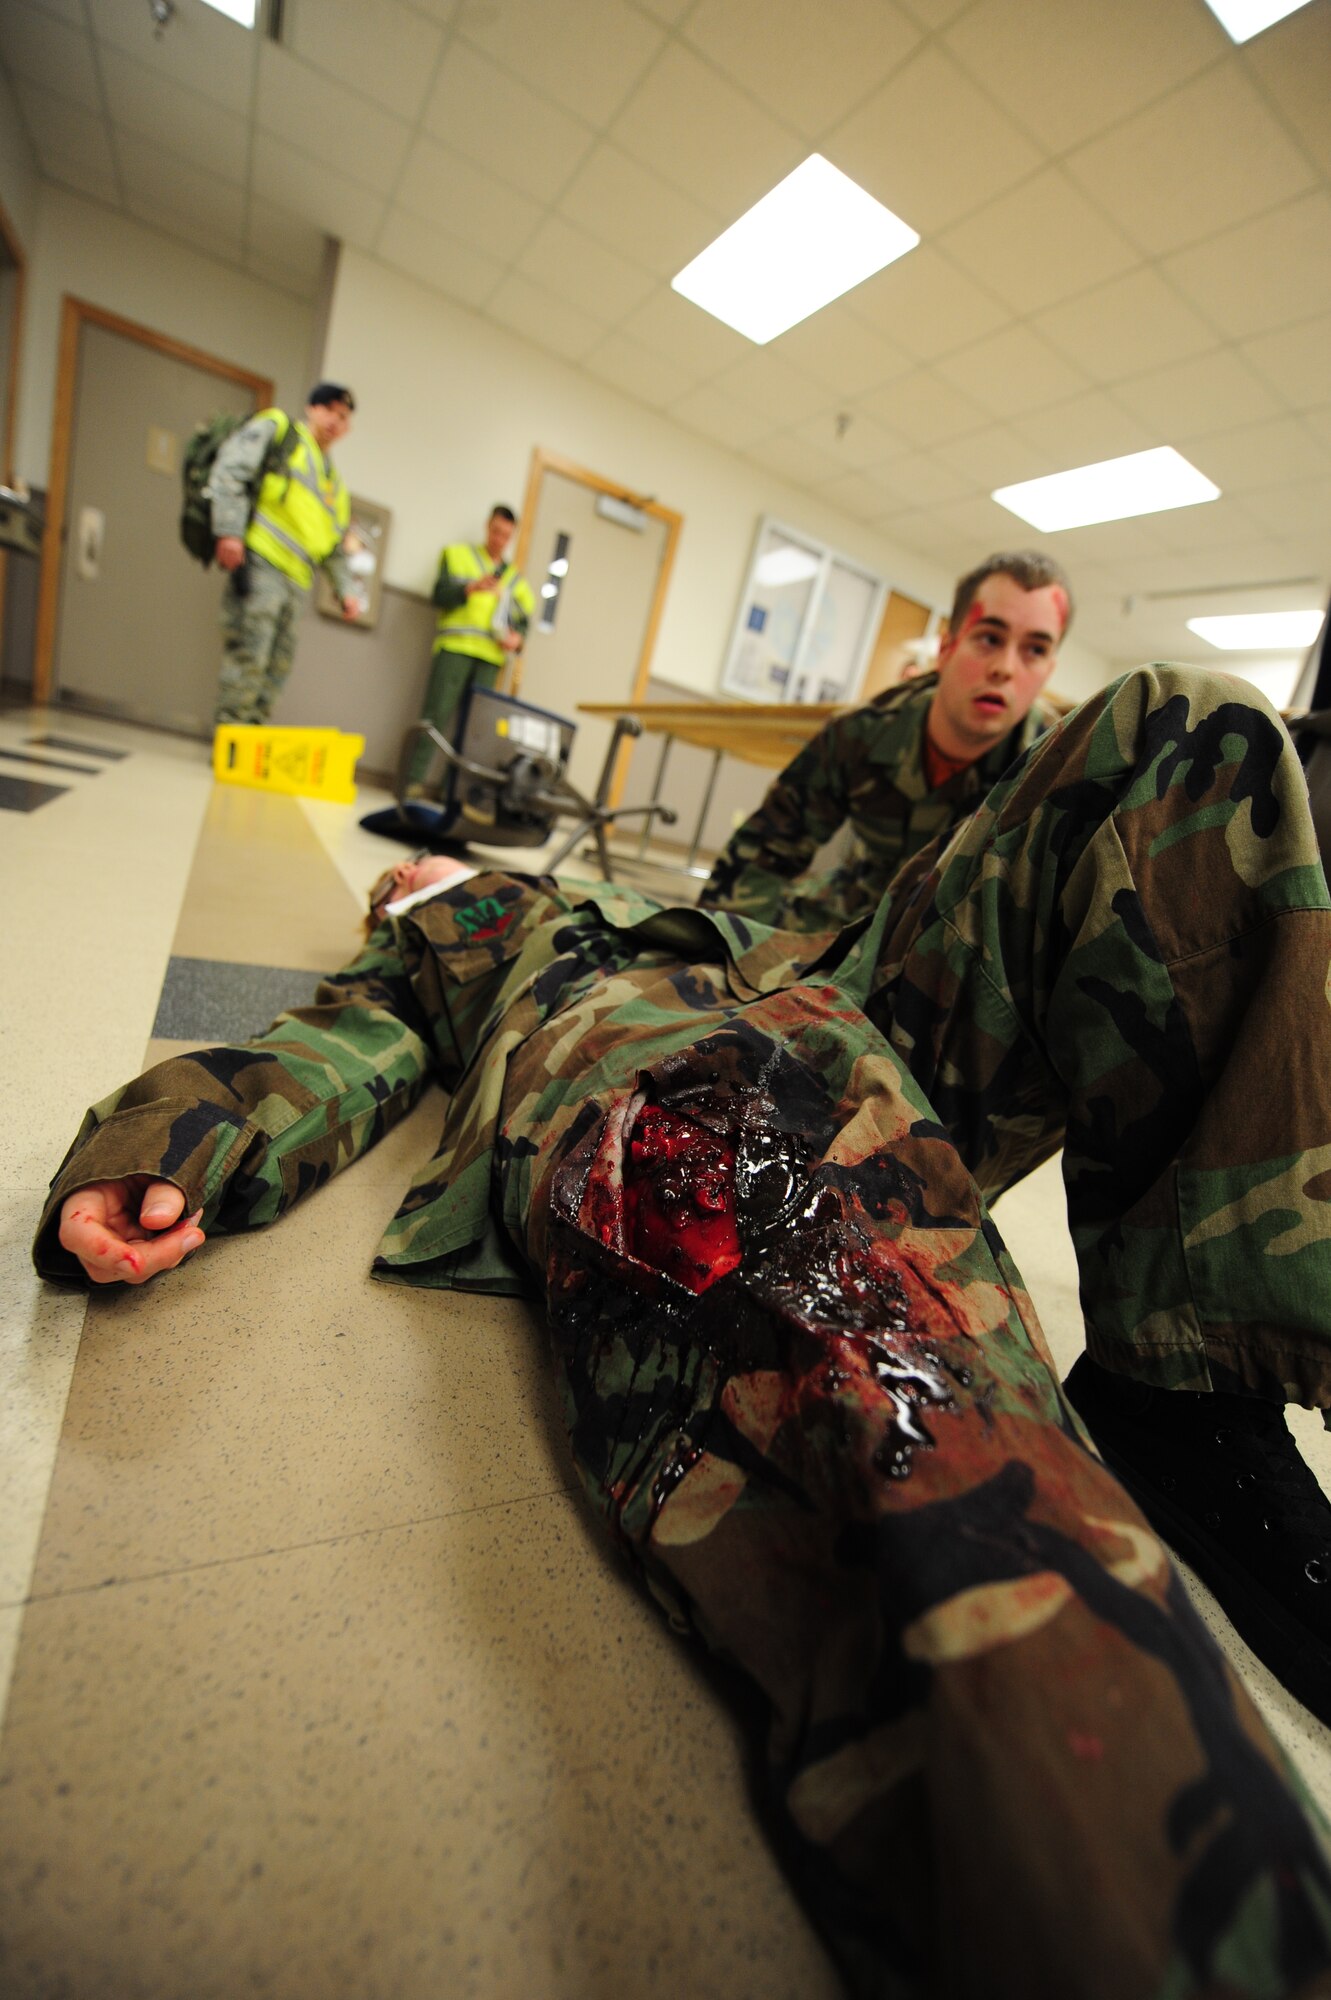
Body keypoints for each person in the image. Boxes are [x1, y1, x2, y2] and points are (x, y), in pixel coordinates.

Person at [37, 663, 1331, 1998]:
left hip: (858, 994)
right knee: (915, 1421)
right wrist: (174, 1145)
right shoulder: (467, 933)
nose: (400, 886)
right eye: (391, 890)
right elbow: (327, 1048)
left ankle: (1188, 1387)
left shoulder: (719, 896)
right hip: (678, 1076)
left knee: (1188, 733)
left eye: (410, 876)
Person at [701, 550, 1072, 930]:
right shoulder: (860, 732)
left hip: (965, 930)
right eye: (989, 638)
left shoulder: (1058, 765)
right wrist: (725, 958)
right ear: (946, 650)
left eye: (1035, 650)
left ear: (1049, 671)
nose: (1005, 668)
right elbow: (761, 857)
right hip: (859, 905)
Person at [211, 382, 359, 727]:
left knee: (277, 668)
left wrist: (346, 590)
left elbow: (334, 546)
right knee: (251, 657)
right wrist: (230, 531)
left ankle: (252, 747)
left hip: (298, 583)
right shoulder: (281, 432)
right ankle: (231, 743)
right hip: (261, 564)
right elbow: (232, 470)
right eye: (329, 410)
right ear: (312, 408)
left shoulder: (334, 484)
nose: (335, 421)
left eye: (343, 417)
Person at [402, 505, 537, 795]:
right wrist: (469, 589)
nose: (499, 539)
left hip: (490, 659)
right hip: (455, 649)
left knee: (473, 730)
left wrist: (517, 641)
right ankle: (410, 783)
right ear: (488, 527)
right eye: (496, 531)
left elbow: (523, 626)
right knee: (434, 717)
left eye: (506, 535)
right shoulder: (458, 556)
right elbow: (439, 594)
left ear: (512, 537)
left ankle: (451, 792)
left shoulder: (516, 580)